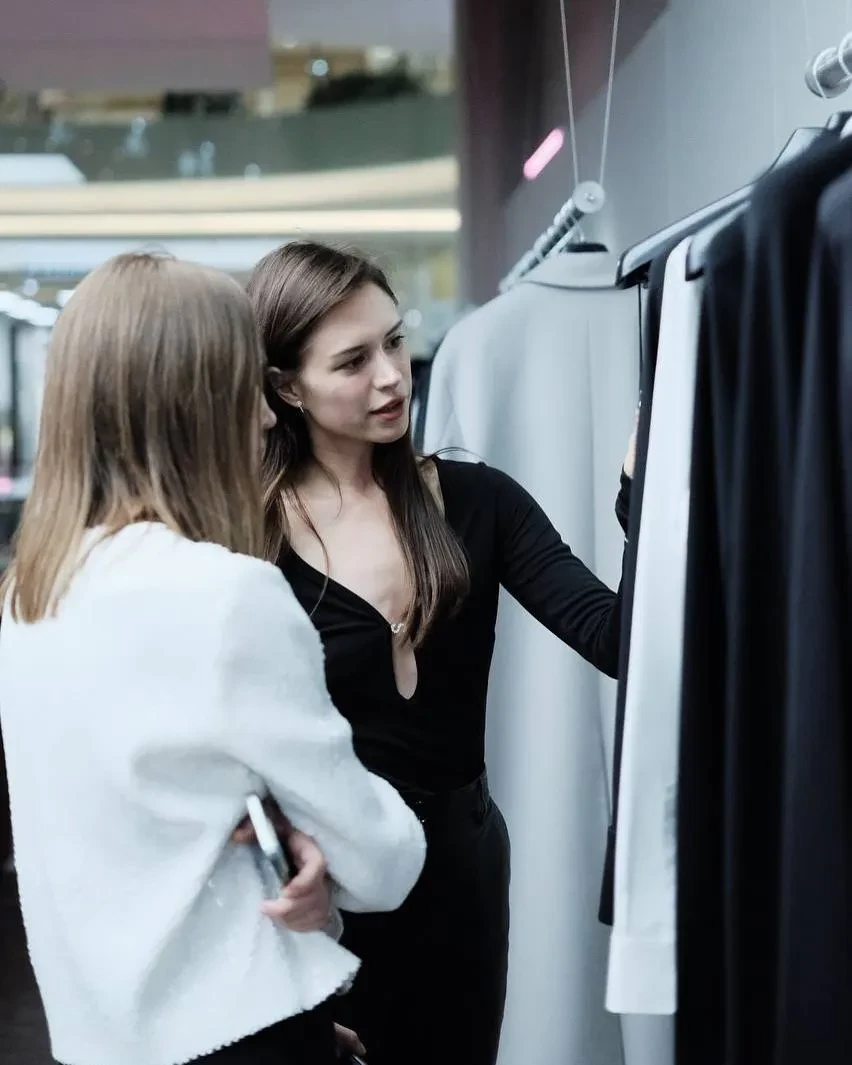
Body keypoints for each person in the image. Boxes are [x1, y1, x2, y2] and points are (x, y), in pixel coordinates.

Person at [0, 251, 426, 1065]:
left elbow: (141, 810)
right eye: (246, 388)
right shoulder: (228, 597)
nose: (266, 419)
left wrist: (275, 828)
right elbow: (383, 859)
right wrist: (321, 843)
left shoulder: (30, 593)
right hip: (237, 1033)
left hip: (104, 1038)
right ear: (197, 406)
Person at [247, 241, 637, 1065]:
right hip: (328, 893)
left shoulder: (477, 499)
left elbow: (618, 639)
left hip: (463, 877)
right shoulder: (249, 538)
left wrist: (648, 497)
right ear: (287, 386)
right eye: (353, 360)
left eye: (394, 341)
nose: (392, 376)